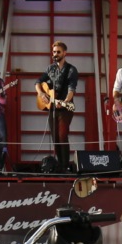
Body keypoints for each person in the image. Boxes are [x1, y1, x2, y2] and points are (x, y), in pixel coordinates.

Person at [39, 40, 79, 171]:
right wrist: (41, 94)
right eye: (54, 52)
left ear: (64, 53)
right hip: (52, 108)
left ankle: (64, 165)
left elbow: (72, 89)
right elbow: (38, 82)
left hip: (65, 108)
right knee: (55, 137)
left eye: (58, 52)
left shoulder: (71, 70)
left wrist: (66, 101)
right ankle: (59, 164)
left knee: (62, 135)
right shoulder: (50, 68)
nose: (55, 54)